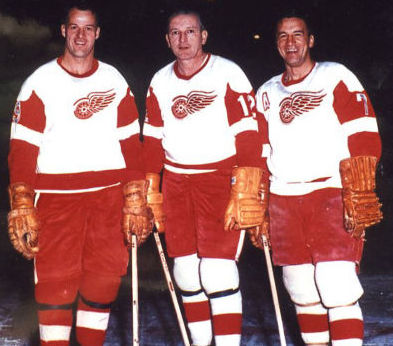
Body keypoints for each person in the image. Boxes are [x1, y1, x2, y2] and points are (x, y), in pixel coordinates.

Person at [7, 3, 151, 345]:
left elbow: (132, 143)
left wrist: (137, 196)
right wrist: (22, 201)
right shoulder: (39, 82)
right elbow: (23, 150)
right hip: (57, 200)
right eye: (74, 27)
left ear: (98, 33)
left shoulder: (113, 79)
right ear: (63, 31)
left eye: (88, 28)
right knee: (55, 288)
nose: (81, 35)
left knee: (101, 285)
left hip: (108, 198)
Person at [252, 13, 383, 345]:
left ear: (311, 40)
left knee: (336, 285)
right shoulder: (266, 92)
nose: (291, 43)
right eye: (283, 36)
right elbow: (261, 152)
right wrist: (260, 201)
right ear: (276, 43)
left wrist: (360, 186)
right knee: (301, 289)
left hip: (330, 191)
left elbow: (364, 133)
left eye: (298, 35)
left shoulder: (334, 76)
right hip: (284, 198)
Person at [141, 9, 269, 346]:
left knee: (216, 272)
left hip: (219, 179)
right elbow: (153, 140)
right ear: (167, 39)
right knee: (185, 273)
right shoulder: (159, 81)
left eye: (190, 32)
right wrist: (149, 185)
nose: (183, 40)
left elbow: (248, 134)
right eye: (175, 33)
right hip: (177, 183)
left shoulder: (228, 73)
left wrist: (247, 187)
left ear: (204, 36)